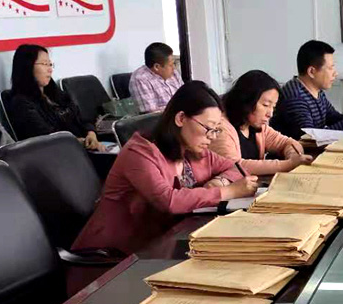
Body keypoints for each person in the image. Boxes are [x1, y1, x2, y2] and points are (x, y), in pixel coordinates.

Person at [72, 81, 258, 255]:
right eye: (208, 128)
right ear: (181, 118)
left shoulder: (193, 150)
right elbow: (168, 200)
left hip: (163, 244)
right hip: (113, 257)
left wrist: (219, 181)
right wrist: (228, 191)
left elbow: (236, 167)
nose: (212, 137)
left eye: (216, 130)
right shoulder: (139, 153)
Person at [210, 69, 312, 174]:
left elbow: (288, 143)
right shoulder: (220, 128)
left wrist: (293, 156)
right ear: (246, 100)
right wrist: (287, 165)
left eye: (273, 107)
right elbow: (234, 166)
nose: (270, 114)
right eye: (265, 105)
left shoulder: (256, 125)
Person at [8, 44, 101, 150]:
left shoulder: (56, 94)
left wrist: (91, 134)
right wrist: (84, 143)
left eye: (50, 64)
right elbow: (49, 139)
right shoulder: (21, 103)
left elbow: (82, 119)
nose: (50, 70)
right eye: (44, 64)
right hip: (61, 153)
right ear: (27, 67)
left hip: (82, 147)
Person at [270, 40, 343, 139]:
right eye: (330, 68)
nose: (335, 73)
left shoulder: (316, 90)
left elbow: (332, 117)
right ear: (311, 72)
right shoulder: (295, 98)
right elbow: (310, 138)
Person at [129, 42, 185, 113]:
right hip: (162, 119)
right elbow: (151, 113)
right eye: (171, 65)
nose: (174, 68)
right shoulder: (140, 79)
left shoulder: (173, 73)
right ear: (156, 67)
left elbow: (185, 95)